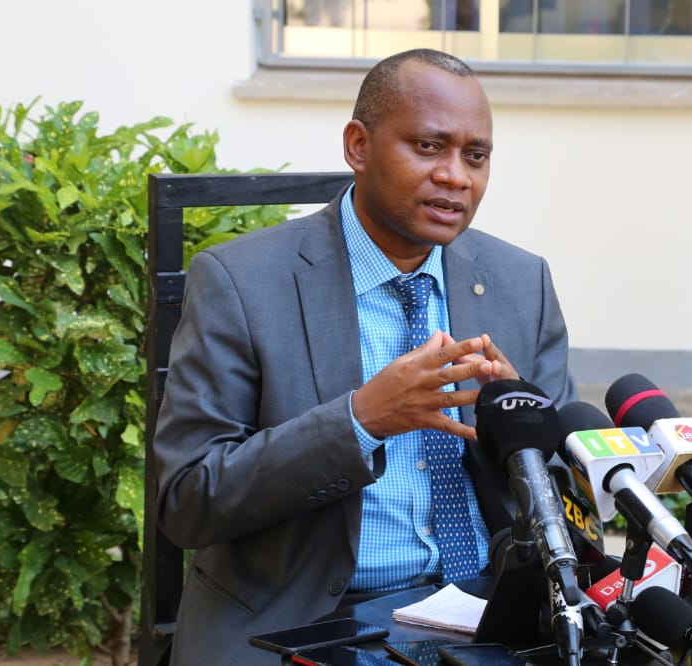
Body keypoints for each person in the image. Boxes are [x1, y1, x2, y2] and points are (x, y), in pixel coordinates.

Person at [153, 48, 577, 665]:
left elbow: (570, 495)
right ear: (358, 145)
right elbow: (188, 501)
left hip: (490, 616)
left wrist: (518, 434)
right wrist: (359, 420)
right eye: (429, 147)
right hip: (306, 625)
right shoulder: (241, 282)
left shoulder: (521, 282)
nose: (455, 176)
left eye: (475, 156)